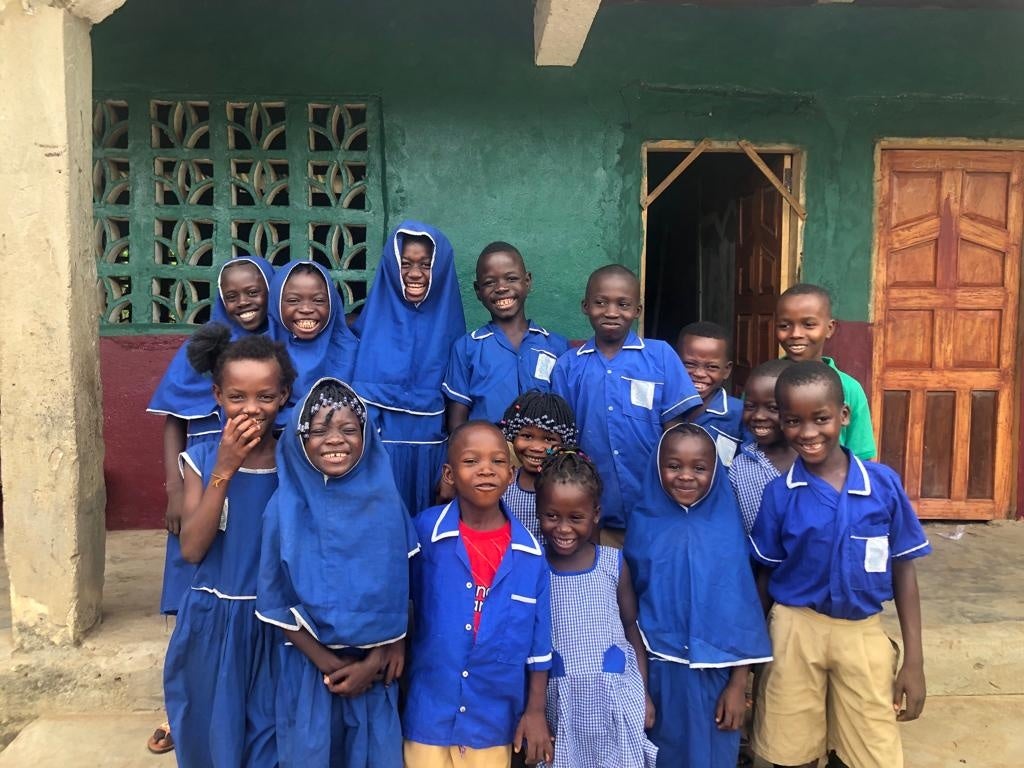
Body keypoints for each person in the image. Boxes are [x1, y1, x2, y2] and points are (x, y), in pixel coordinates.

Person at [749, 362, 930, 768]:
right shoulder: (779, 493)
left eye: (821, 419)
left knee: (869, 751)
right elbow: (766, 573)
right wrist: (752, 653)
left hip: (862, 632)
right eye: (793, 421)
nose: (807, 432)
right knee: (790, 749)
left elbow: (904, 568)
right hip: (795, 628)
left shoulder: (882, 485)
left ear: (843, 416)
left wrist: (914, 660)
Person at [146, 255, 275, 756]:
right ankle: (184, 709)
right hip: (203, 473)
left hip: (254, 471)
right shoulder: (201, 345)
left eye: (253, 291)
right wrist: (174, 490)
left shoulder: (277, 345)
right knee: (197, 593)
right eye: (232, 294)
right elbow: (173, 420)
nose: (244, 302)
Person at [256, 378, 419, 768]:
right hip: (310, 669)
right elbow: (275, 604)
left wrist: (376, 659)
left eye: (349, 429)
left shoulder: (386, 504)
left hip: (376, 670)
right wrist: (335, 668)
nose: (335, 440)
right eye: (319, 430)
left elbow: (403, 587)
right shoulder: (283, 510)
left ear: (367, 437)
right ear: (299, 440)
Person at [161, 323, 296, 768]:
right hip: (215, 622)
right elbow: (192, 549)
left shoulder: (296, 459)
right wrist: (225, 468)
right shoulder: (202, 460)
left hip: (276, 623)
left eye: (265, 396)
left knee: (270, 741)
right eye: (237, 397)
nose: (251, 409)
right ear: (218, 395)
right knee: (213, 738)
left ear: (284, 395)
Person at [403, 421, 553, 767]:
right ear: (449, 474)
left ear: (511, 474)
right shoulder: (424, 533)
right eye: (471, 461)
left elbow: (539, 646)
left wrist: (535, 711)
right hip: (429, 716)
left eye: (498, 461)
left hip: (492, 724)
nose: (486, 469)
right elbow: (396, 602)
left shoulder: (530, 555)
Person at [625, 424, 771, 767]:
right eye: (674, 465)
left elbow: (742, 610)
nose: (686, 476)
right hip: (660, 672)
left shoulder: (727, 530)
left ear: (715, 471)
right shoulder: (644, 525)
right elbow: (631, 613)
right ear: (657, 467)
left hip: (716, 676)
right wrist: (640, 690)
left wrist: (738, 685)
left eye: (700, 467)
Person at [552, 265, 700, 547]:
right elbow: (563, 439)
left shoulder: (660, 356)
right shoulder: (568, 366)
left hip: (654, 504)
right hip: (595, 509)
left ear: (637, 310)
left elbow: (675, 432)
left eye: (623, 304)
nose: (611, 312)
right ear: (585, 306)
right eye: (600, 302)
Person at [535, 448, 657, 768]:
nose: (563, 528)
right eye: (552, 516)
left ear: (596, 514)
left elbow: (631, 629)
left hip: (615, 701)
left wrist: (643, 694)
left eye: (576, 518)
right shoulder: (534, 568)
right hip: (560, 705)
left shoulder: (612, 563)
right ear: (537, 511)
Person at [351, 221, 465, 514]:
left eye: (426, 264)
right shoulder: (363, 331)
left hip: (431, 461)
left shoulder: (456, 336)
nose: (415, 273)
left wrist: (452, 467)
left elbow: (458, 409)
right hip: (375, 458)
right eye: (405, 263)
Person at [443, 242, 569, 431]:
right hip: (487, 448)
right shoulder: (467, 347)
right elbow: (457, 422)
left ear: (527, 281)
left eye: (511, 279)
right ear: (478, 290)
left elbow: (566, 412)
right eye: (489, 282)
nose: (501, 288)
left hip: (542, 447)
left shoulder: (555, 345)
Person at [774, 283, 876, 460]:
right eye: (784, 325)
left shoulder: (849, 388)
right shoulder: (764, 382)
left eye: (809, 324)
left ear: (829, 328)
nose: (795, 333)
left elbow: (862, 458)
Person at [267, 260, 359, 428]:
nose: (306, 309)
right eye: (293, 300)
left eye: (318, 300)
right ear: (276, 303)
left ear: (332, 304)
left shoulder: (354, 352)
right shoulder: (261, 352)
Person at [499, 389, 578, 542]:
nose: (536, 447)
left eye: (548, 439)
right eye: (527, 436)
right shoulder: (503, 484)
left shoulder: (570, 487)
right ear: (513, 436)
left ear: (564, 443)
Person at [729, 358, 796, 534]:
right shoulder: (740, 467)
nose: (758, 416)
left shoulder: (812, 461)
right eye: (750, 406)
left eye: (773, 408)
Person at [676, 320, 745, 466]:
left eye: (712, 367)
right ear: (674, 362)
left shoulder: (741, 416)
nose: (700, 373)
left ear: (727, 370)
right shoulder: (661, 408)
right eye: (690, 364)